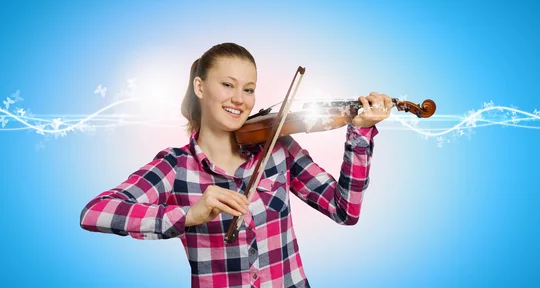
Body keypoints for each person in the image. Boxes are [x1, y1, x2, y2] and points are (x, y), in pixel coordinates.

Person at [80, 42, 392, 288]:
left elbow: (345, 210)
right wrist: (189, 215)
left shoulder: (278, 148)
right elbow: (95, 212)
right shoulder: (175, 166)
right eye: (228, 85)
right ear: (200, 88)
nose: (240, 99)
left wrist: (360, 133)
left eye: (248, 89)